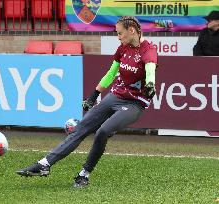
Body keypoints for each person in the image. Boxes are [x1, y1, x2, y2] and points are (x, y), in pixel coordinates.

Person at [16, 16, 158, 188]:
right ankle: (44, 164)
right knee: (81, 128)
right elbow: (111, 74)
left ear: (132, 31)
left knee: (102, 132)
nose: (118, 37)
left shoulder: (148, 50)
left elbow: (150, 68)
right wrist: (93, 95)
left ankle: (84, 174)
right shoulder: (123, 48)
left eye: (120, 33)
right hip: (116, 96)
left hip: (134, 104)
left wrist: (150, 84)